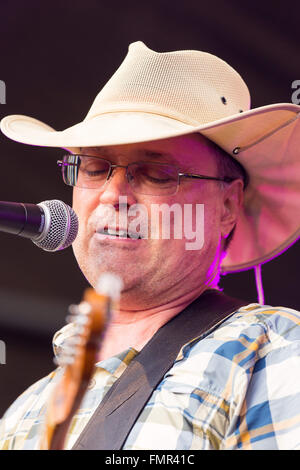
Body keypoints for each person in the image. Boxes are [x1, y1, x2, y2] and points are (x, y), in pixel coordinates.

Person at [1, 41, 300, 450]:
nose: (111, 195)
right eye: (94, 168)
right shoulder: (25, 411)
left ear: (228, 205)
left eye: (157, 173)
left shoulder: (276, 351)